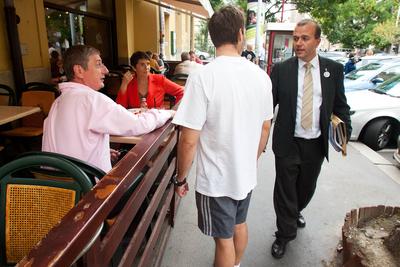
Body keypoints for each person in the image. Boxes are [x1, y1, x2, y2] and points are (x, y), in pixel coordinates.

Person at [172, 6, 273, 267]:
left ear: (213, 37)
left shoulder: (203, 77)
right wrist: (252, 160)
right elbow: (265, 127)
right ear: (241, 34)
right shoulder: (261, 78)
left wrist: (180, 178)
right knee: (239, 224)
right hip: (245, 174)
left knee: (223, 240)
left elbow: (189, 139)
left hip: (216, 180)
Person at [270, 19, 351, 259]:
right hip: (287, 142)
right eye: (296, 38)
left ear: (317, 41)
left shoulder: (333, 70)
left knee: (306, 188)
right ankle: (284, 234)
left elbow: (340, 105)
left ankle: (296, 211)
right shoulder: (282, 70)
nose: (298, 43)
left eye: (304, 38)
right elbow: (267, 106)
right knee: (284, 190)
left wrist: (344, 132)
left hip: (315, 144)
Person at [42, 45, 174, 172]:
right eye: (98, 64)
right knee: (140, 176)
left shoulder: (58, 102)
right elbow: (139, 124)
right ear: (79, 71)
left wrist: (102, 150)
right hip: (90, 189)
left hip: (60, 188)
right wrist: (166, 113)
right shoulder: (92, 99)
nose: (105, 70)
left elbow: (70, 142)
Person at [116, 51, 184, 109]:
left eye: (148, 64)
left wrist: (174, 111)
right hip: (136, 121)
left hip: (156, 121)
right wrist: (123, 85)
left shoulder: (160, 79)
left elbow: (181, 92)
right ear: (134, 68)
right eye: (142, 64)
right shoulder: (129, 82)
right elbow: (120, 108)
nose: (147, 67)